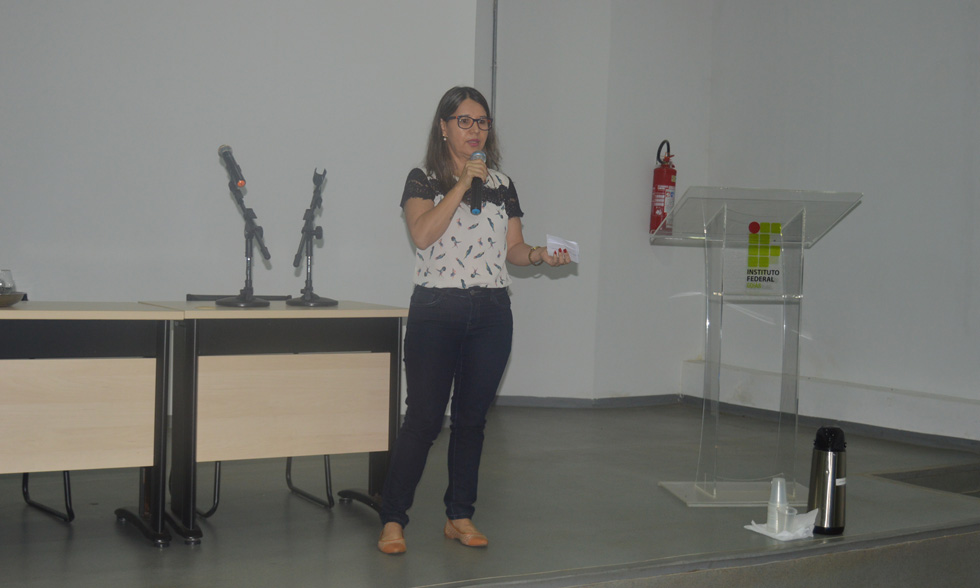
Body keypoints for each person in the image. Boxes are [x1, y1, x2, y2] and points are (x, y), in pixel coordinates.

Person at [377, 86, 571, 554]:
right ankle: (392, 519)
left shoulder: (503, 184)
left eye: (481, 121)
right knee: (423, 419)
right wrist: (462, 183)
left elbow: (513, 249)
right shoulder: (423, 179)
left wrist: (541, 255)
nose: (474, 129)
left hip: (491, 313)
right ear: (443, 127)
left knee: (471, 421)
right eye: (463, 121)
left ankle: (459, 515)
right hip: (436, 311)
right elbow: (423, 235)